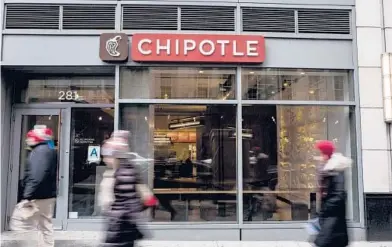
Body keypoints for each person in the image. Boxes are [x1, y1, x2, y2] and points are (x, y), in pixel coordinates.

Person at [100, 130, 157, 247]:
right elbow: (150, 199)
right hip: (130, 224)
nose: (105, 159)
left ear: (115, 156)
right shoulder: (133, 170)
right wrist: (136, 209)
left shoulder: (112, 175)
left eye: (107, 156)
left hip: (117, 225)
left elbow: (106, 203)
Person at [10, 125, 58, 247]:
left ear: (36, 138)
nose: (27, 140)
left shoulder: (39, 152)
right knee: (45, 225)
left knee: (18, 222)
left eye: (30, 137)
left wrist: (27, 195)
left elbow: (37, 175)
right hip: (47, 195)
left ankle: (32, 244)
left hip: (37, 196)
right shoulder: (50, 150)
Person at [313, 140, 351, 247]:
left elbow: (338, 193)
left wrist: (327, 207)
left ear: (327, 154)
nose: (320, 156)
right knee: (328, 241)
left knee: (324, 241)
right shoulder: (328, 169)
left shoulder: (336, 170)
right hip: (329, 213)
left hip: (333, 214)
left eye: (322, 153)